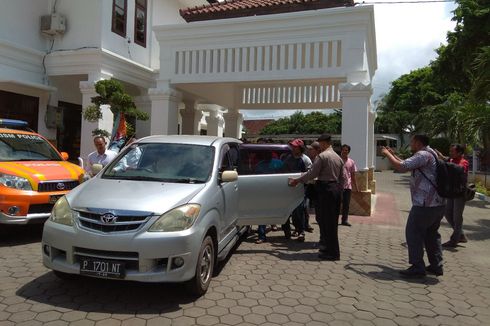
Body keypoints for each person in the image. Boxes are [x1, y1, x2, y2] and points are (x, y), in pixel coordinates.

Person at [381, 135, 445, 278]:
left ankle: (417, 267)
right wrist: (393, 155)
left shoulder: (422, 154)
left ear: (418, 142)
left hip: (424, 204)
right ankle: (436, 265)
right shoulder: (431, 153)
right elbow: (407, 163)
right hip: (438, 203)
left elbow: (402, 167)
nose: (411, 144)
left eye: (412, 141)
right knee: (432, 235)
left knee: (413, 233)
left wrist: (386, 154)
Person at [289, 134, 344, 260]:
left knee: (325, 222)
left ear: (324, 143)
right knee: (331, 223)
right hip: (334, 190)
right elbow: (342, 178)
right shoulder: (337, 157)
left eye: (319, 143)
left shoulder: (322, 156)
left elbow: (312, 173)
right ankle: (328, 249)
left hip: (325, 190)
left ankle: (331, 252)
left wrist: (298, 180)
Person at [436, 144, 469, 247]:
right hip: (451, 192)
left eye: (452, 152)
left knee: (457, 218)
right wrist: (442, 157)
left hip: (460, 193)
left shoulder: (464, 162)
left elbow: (458, 168)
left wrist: (443, 162)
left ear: (459, 153)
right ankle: (461, 235)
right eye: (450, 151)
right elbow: (448, 160)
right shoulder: (450, 160)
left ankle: (454, 240)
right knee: (447, 213)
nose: (450, 153)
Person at [282, 138, 312, 242]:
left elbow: (309, 174)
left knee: (299, 211)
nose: (293, 148)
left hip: (300, 189)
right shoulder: (288, 158)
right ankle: (287, 231)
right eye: (292, 146)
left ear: (300, 148)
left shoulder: (305, 159)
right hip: (288, 188)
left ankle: (301, 231)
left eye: (295, 146)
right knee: (286, 210)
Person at [254, 151, 284, 244]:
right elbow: (256, 179)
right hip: (264, 193)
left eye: (268, 154)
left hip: (277, 192)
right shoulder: (260, 165)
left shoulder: (279, 163)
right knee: (262, 213)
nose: (267, 155)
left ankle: (287, 233)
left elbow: (284, 175)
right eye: (265, 154)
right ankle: (261, 235)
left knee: (283, 211)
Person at [340, 144, 359, 227]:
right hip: (338, 186)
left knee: (346, 205)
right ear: (341, 150)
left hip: (347, 187)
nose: (345, 151)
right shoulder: (337, 160)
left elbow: (353, 175)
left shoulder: (351, 162)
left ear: (348, 152)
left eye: (346, 150)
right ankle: (332, 220)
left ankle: (344, 220)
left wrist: (356, 187)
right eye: (343, 150)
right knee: (336, 204)